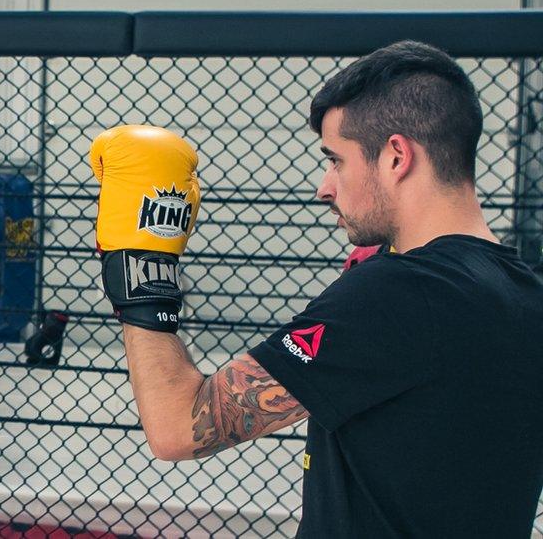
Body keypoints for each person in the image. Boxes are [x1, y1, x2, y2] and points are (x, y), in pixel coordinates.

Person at [90, 41, 543, 537]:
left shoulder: (396, 293)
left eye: (336, 160)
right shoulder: (523, 292)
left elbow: (179, 426)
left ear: (396, 157)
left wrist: (141, 263)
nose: (324, 187)